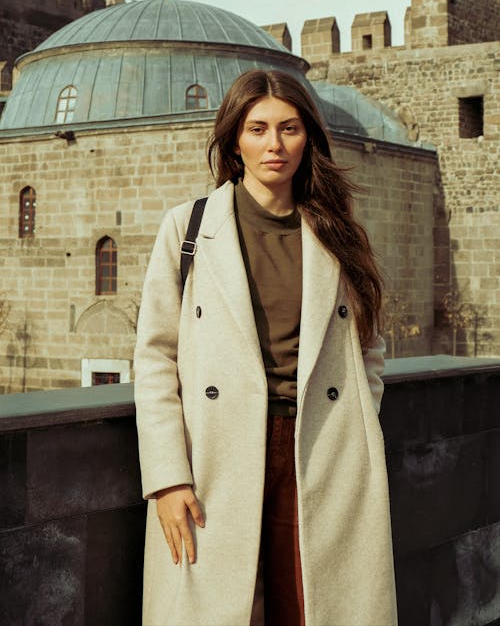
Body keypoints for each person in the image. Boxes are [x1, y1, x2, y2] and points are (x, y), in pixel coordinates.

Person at [134, 69, 398, 626]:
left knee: (310, 609)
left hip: (320, 449)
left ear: (309, 138)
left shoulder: (337, 232)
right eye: (257, 129)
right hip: (217, 453)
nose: (273, 145)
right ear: (234, 138)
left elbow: (369, 348)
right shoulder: (188, 227)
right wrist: (167, 477)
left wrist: (358, 422)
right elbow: (156, 357)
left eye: (289, 128)